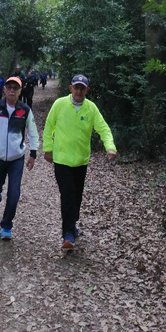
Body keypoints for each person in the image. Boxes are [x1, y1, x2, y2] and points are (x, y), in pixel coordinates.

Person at [43, 74, 117, 250]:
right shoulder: (60, 104)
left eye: (82, 88)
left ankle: (72, 223)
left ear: (87, 90)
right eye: (76, 87)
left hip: (81, 161)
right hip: (62, 159)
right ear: (70, 88)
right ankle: (68, 234)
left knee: (76, 196)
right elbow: (49, 125)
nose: (78, 91)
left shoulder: (91, 108)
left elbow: (103, 128)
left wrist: (110, 147)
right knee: (68, 195)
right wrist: (48, 149)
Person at [0, 76, 39, 240]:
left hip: (17, 159)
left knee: (14, 194)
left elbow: (33, 133)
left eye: (15, 88)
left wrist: (33, 154)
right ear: (4, 90)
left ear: (20, 91)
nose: (11, 90)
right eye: (9, 87)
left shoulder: (25, 110)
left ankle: (6, 226)